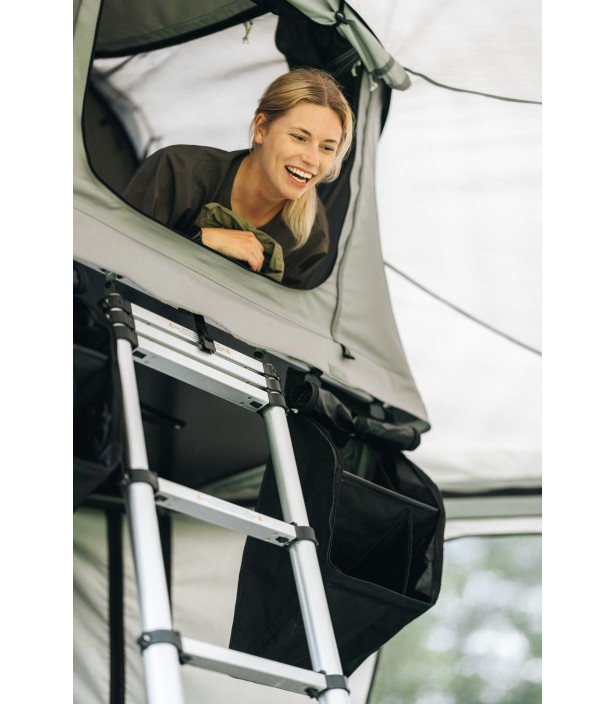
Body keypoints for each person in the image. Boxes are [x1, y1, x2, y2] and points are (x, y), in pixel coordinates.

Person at [123, 68, 354, 288]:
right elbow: (121, 259)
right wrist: (203, 238)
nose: (313, 160)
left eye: (326, 148)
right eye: (299, 138)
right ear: (261, 129)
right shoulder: (178, 172)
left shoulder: (311, 235)